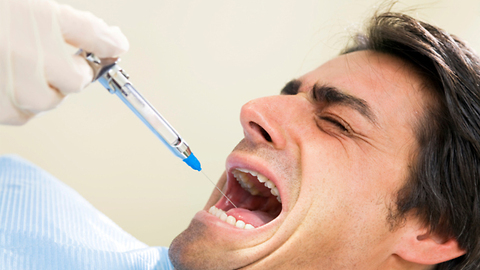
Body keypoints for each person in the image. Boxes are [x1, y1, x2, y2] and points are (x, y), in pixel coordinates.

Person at [1, 1, 480, 270]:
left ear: (431, 230)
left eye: (336, 123)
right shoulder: (15, 203)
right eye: (289, 94)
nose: (255, 110)